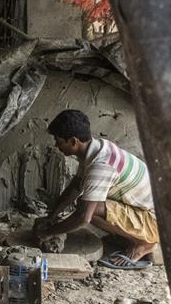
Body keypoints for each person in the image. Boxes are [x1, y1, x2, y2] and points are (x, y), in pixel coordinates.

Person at [34, 109, 159, 269]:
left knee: (89, 210)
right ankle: (131, 235)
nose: (56, 145)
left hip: (156, 219)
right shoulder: (96, 148)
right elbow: (75, 187)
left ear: (73, 141)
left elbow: (83, 218)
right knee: (85, 202)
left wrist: (49, 232)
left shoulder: (101, 165)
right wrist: (52, 216)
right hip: (148, 207)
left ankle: (144, 243)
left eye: (58, 140)